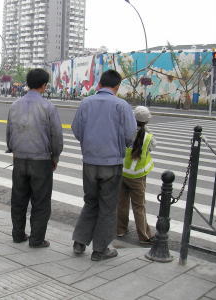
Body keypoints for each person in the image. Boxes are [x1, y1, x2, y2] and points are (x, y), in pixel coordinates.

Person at [71, 70, 137, 261]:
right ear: (116, 87)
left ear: (100, 84)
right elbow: (130, 135)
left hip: (90, 162)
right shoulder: (121, 106)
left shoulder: (86, 103)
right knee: (108, 206)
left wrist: (88, 144)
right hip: (112, 163)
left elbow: (77, 129)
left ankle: (79, 241)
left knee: (90, 202)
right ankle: (101, 249)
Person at [6, 68, 63, 248]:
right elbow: (57, 137)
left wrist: (13, 150)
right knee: (41, 201)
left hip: (20, 159)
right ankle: (36, 239)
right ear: (44, 85)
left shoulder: (14, 105)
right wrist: (55, 156)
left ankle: (18, 234)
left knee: (19, 199)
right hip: (41, 161)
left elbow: (9, 132)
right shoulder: (48, 107)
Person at [117, 106, 156, 245]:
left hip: (122, 173)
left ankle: (120, 230)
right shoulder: (148, 136)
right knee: (139, 207)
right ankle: (144, 236)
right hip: (138, 177)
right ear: (146, 122)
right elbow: (152, 147)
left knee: (122, 203)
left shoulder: (125, 131)